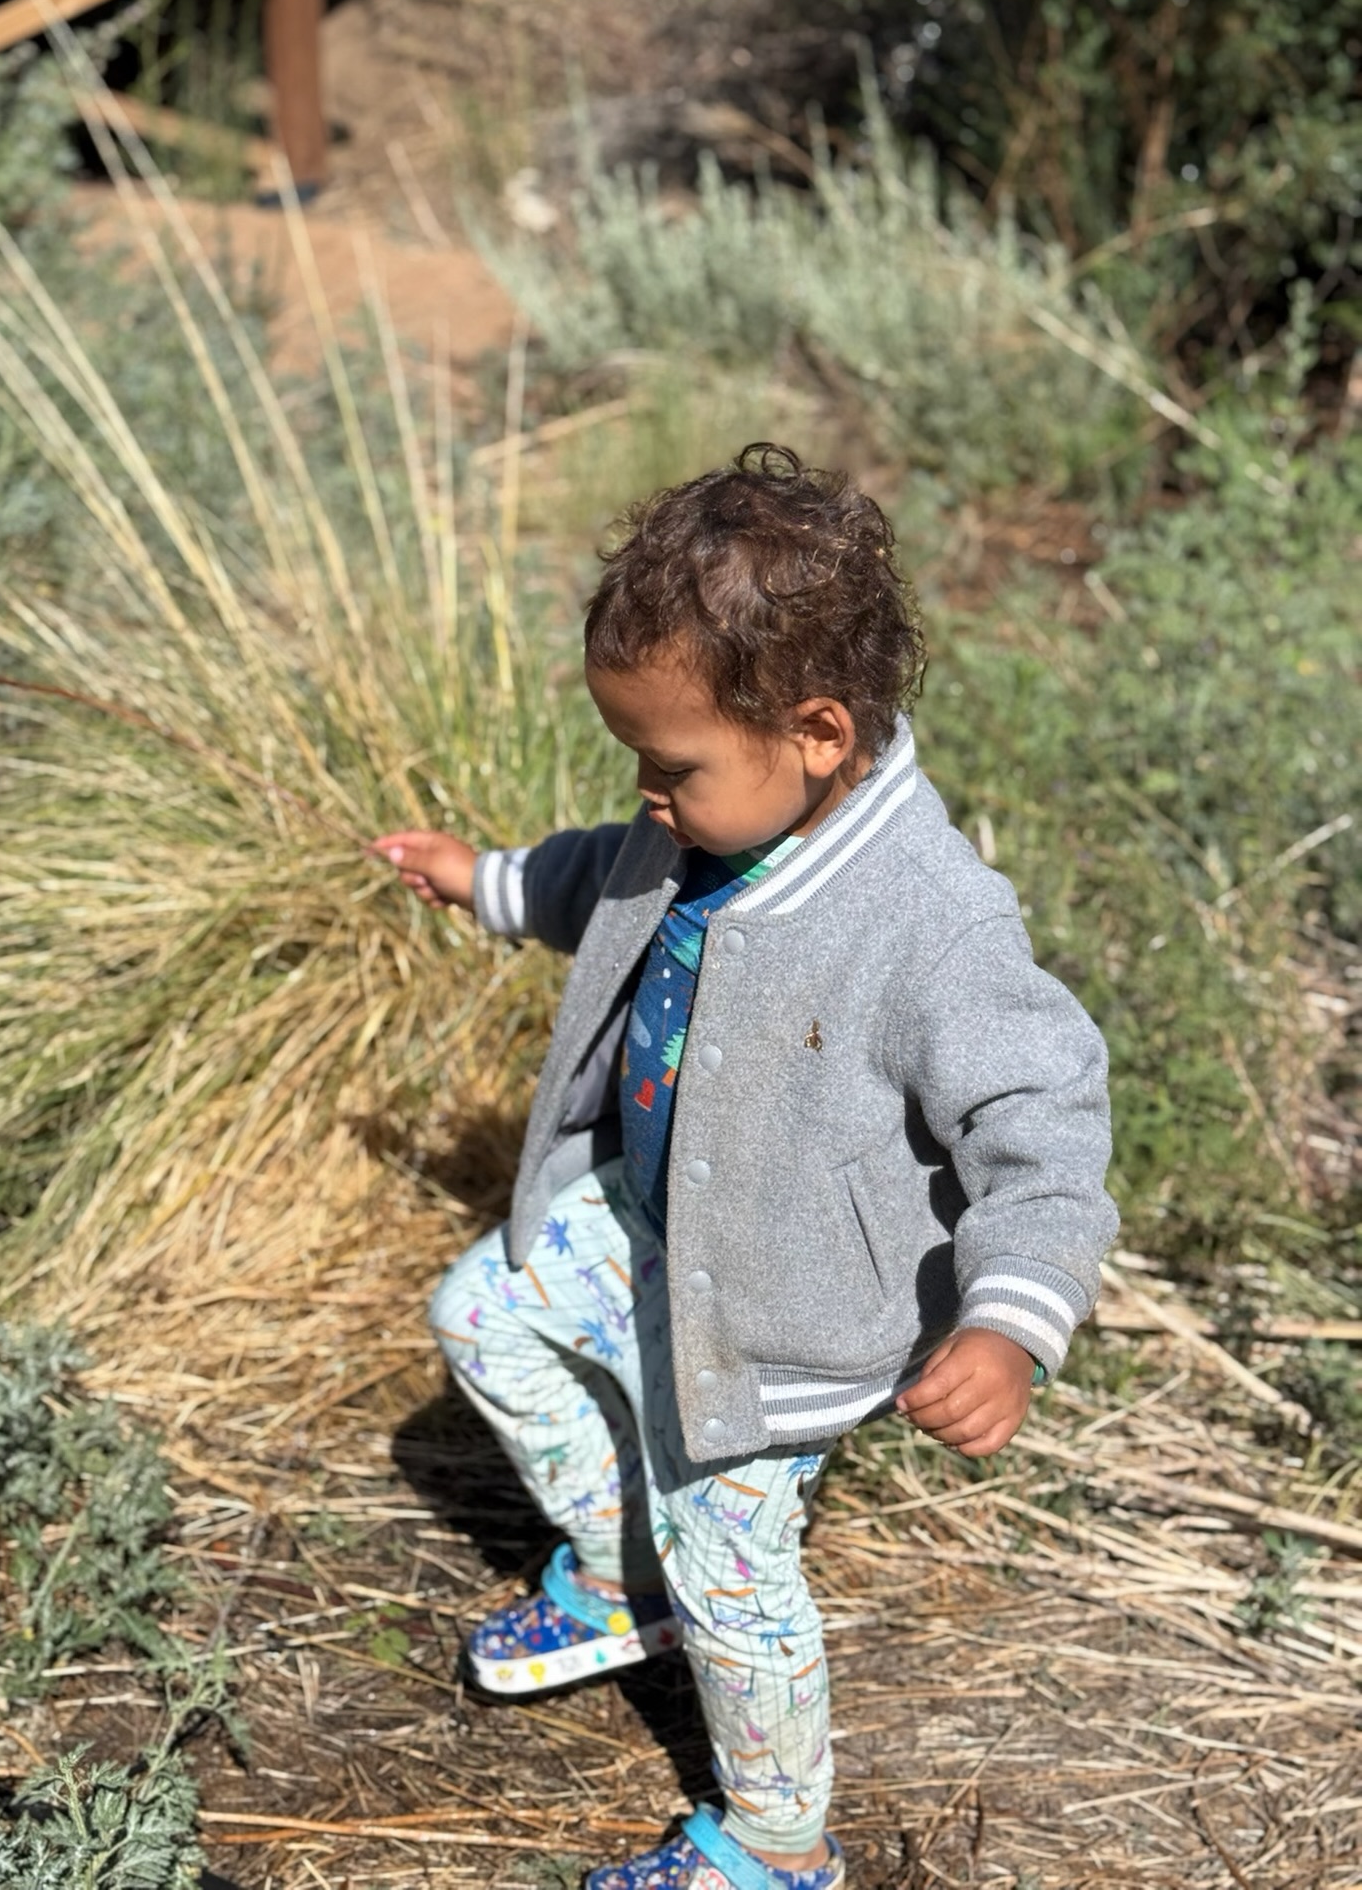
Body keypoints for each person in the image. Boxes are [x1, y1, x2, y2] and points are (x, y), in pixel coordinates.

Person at [374, 444, 1117, 1890]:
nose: (649, 795)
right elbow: (605, 874)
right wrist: (488, 878)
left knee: (738, 1569)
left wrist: (1012, 1320)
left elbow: (1046, 1124)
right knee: (485, 1315)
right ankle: (616, 1573)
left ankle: (778, 1845)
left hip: (791, 1309)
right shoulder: (709, 818)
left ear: (820, 729)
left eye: (672, 767)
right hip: (658, 1221)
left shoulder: (931, 925)